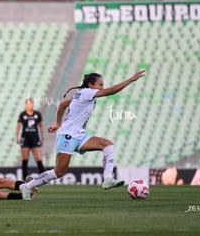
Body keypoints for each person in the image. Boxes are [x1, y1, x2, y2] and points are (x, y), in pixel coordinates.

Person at [20, 71, 145, 199]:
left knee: (107, 145)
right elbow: (111, 91)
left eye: (103, 85)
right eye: (100, 85)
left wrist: (58, 123)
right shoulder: (87, 92)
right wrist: (131, 79)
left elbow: (63, 105)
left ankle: (107, 178)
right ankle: (28, 186)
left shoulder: (82, 94)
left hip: (79, 136)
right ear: (90, 85)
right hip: (68, 135)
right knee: (59, 171)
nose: (102, 88)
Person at [16, 98, 45, 180]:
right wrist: (17, 137)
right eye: (27, 104)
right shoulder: (22, 114)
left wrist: (42, 138)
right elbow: (18, 126)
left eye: (30, 103)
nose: (29, 105)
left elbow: (41, 126)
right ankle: (24, 179)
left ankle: (44, 178)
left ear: (33, 104)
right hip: (25, 138)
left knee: (38, 159)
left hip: (35, 138)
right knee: (25, 160)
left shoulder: (37, 114)